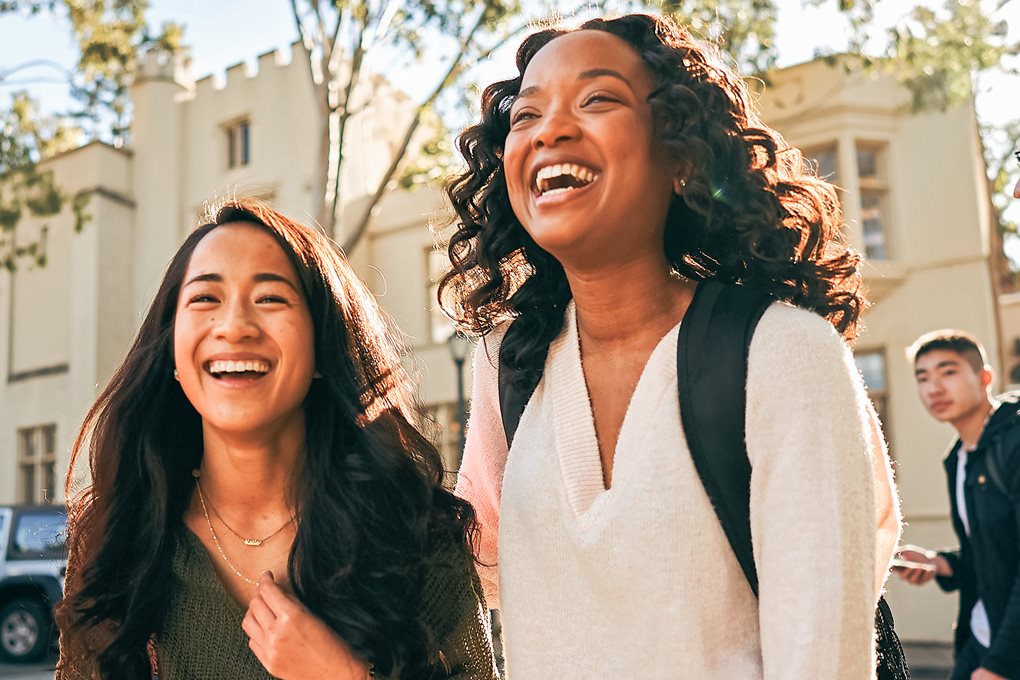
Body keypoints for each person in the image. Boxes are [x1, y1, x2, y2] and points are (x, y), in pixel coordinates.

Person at [439, 13, 901, 679]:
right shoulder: (508, 365)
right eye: (526, 114)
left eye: (597, 99)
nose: (549, 131)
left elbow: (823, 660)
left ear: (680, 155)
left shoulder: (783, 354)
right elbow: (469, 571)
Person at [55, 198, 498, 679]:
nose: (234, 326)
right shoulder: (120, 538)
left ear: (322, 345)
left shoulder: (416, 535)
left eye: (269, 298)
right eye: (205, 299)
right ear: (173, 353)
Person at [897, 331, 1020, 680]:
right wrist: (940, 563)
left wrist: (1000, 666)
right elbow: (994, 556)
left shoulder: (1013, 444)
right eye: (922, 377)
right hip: (979, 640)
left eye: (948, 372)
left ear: (985, 378)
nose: (934, 388)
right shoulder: (958, 458)